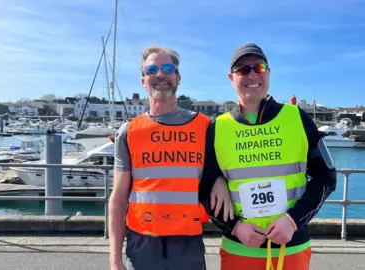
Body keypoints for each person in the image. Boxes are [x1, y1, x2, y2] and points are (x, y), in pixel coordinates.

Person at [201, 43, 337, 269]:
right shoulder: (217, 128)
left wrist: (293, 220)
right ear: (231, 77)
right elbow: (204, 188)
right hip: (239, 249)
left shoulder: (297, 118)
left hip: (291, 247)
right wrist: (234, 227)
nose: (252, 74)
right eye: (243, 69)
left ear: (269, 72)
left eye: (259, 67)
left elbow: (327, 178)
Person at [109, 45, 233, 270]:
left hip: (188, 242)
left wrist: (220, 179)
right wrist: (115, 259)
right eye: (151, 70)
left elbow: (224, 166)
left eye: (167, 68)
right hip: (142, 244)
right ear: (143, 81)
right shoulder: (129, 131)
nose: (160, 75)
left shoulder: (204, 126)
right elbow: (118, 199)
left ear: (178, 77)